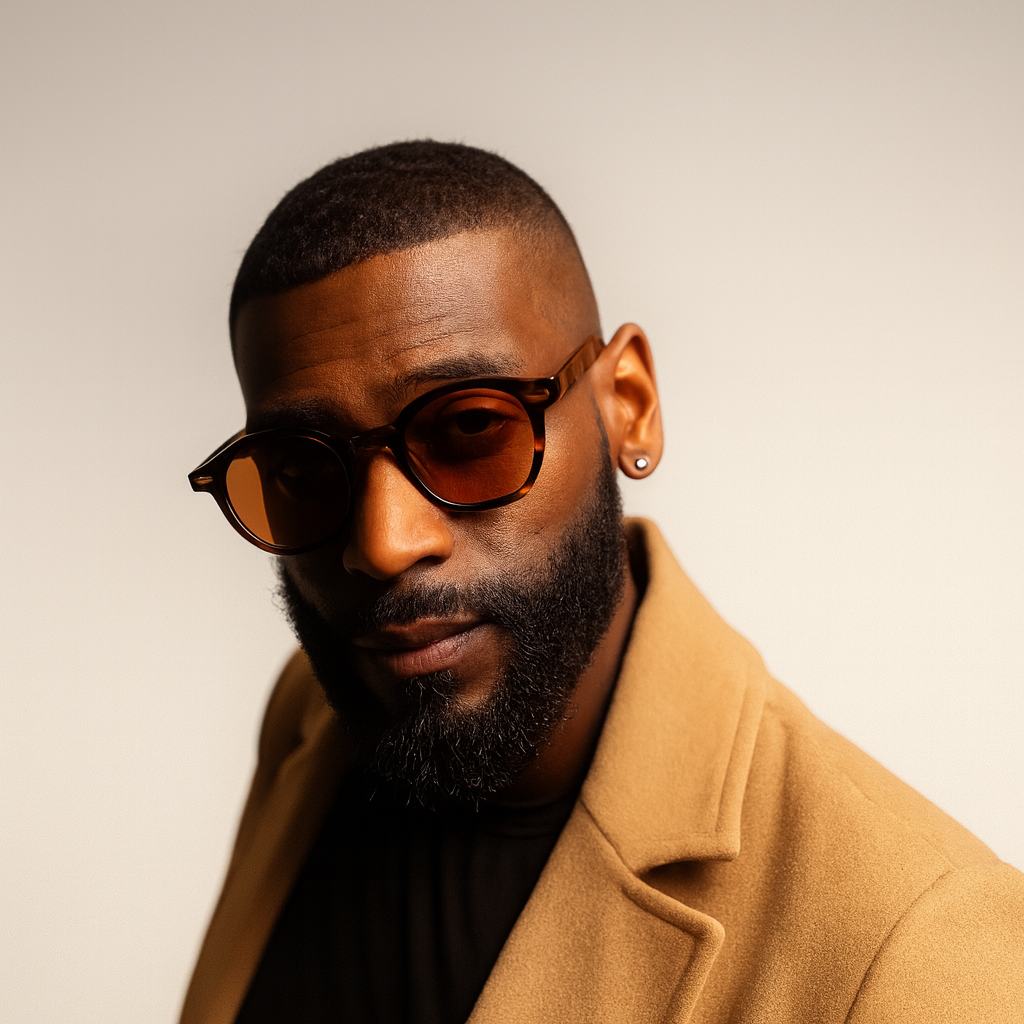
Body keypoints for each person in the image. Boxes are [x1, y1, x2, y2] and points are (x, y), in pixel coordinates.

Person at [180, 141, 1024, 1024]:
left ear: (629, 405)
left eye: (470, 428)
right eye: (301, 466)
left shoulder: (925, 949)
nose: (384, 545)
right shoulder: (319, 712)